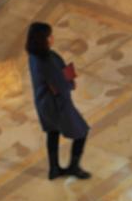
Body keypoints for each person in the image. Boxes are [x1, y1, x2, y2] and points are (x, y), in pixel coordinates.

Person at [25, 22, 91, 180]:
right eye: (49, 36)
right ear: (44, 39)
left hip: (43, 103)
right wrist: (70, 84)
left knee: (52, 132)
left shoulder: (34, 56)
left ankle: (54, 169)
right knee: (81, 132)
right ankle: (73, 167)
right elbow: (61, 85)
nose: (52, 38)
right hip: (57, 105)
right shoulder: (47, 60)